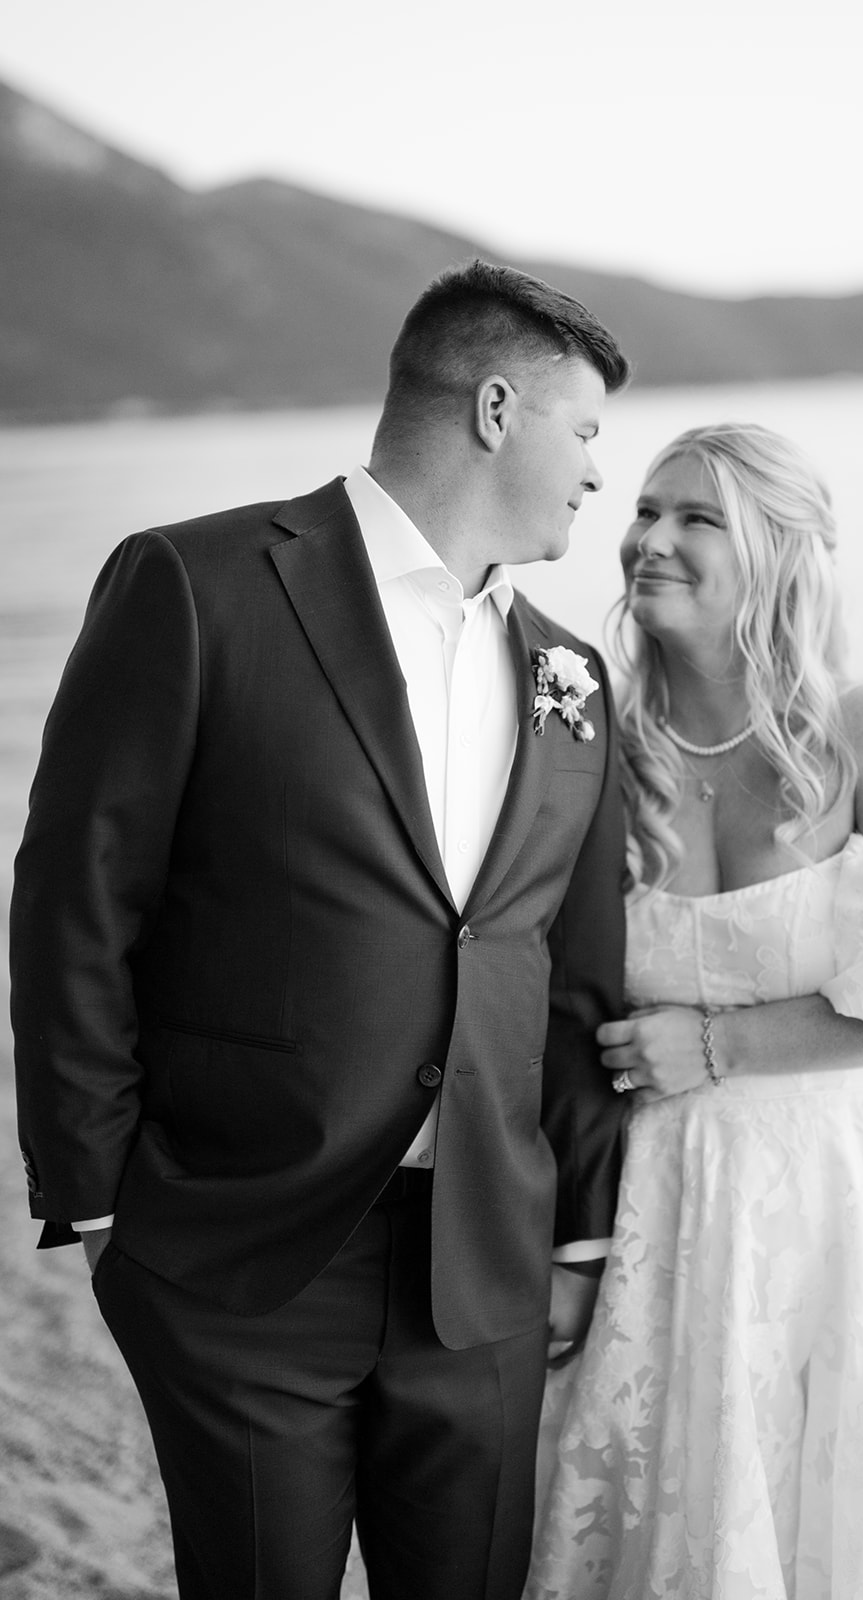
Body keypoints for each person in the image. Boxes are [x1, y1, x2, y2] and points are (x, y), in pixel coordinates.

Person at [10, 259, 633, 1600]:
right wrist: (101, 1203)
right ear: (495, 409)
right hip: (239, 1259)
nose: (598, 472)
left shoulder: (572, 673)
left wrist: (579, 1231)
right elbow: (77, 903)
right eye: (584, 431)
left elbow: (576, 974)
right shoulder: (196, 583)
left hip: (481, 1274)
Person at [525, 422, 863, 1599]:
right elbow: (542, 1001)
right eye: (645, 510)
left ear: (778, 551)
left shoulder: (862, 736)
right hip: (662, 1197)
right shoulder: (590, 740)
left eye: (697, 519)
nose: (650, 540)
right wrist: (567, 1238)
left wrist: (719, 1042)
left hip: (852, 1199)